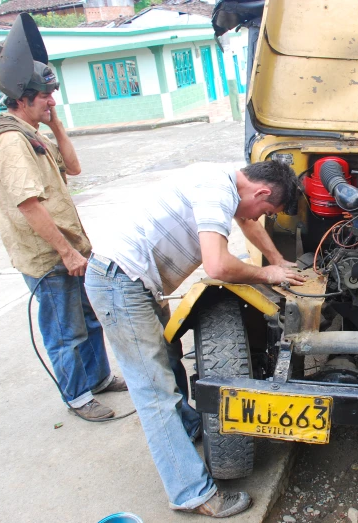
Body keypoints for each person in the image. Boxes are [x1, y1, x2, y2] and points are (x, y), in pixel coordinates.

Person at [84, 160, 306, 518]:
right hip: (119, 282)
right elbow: (217, 266)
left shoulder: (226, 180)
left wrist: (280, 261)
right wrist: (266, 271)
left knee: (168, 364)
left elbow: (248, 221)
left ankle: (187, 428)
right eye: (268, 209)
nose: (260, 215)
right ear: (261, 191)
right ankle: (191, 493)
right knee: (155, 392)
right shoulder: (216, 191)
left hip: (133, 280)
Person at [0, 18, 127, 421]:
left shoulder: (32, 132)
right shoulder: (9, 141)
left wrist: (55, 123)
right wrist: (65, 252)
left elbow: (73, 167)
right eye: (46, 97)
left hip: (70, 251)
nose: (51, 102)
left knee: (89, 321)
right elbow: (28, 205)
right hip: (50, 257)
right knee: (66, 331)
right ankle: (77, 396)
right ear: (23, 98)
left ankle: (97, 379)